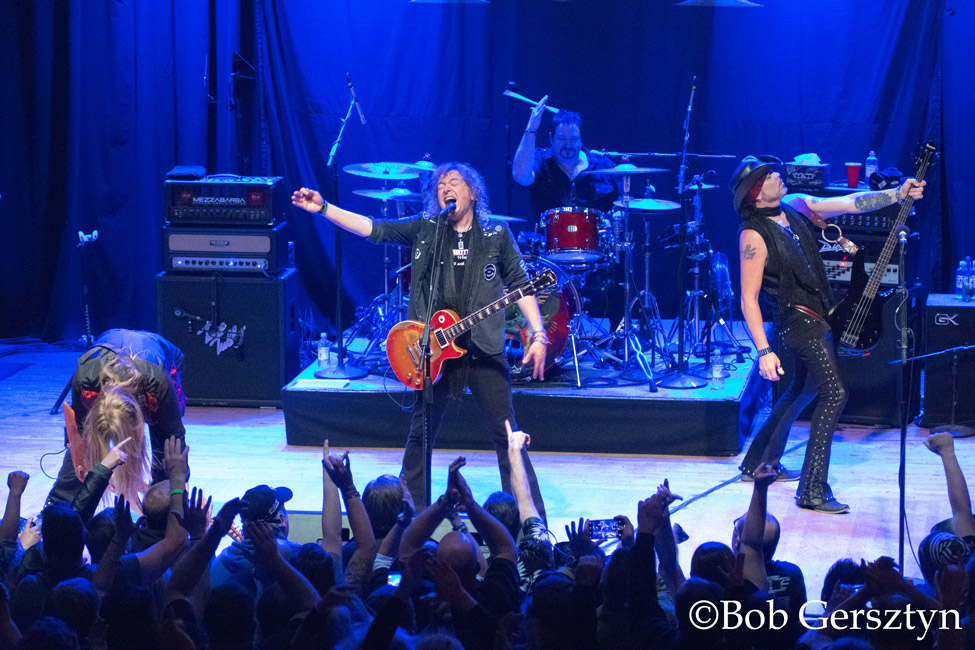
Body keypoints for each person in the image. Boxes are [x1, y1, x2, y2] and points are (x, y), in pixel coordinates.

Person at [292, 163, 548, 517]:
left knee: (508, 438)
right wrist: (323, 208)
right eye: (441, 184)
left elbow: (520, 284)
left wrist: (538, 334)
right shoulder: (426, 229)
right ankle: (410, 520)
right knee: (420, 437)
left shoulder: (496, 234)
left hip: (484, 351)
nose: (446, 188)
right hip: (432, 351)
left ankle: (531, 520)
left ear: (473, 192)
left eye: (455, 182)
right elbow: (374, 229)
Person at [730, 155, 925, 513]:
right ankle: (812, 491)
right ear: (755, 194)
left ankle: (757, 463)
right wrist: (762, 351)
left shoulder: (795, 206)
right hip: (796, 321)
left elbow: (851, 202)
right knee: (834, 393)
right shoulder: (753, 235)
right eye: (769, 175)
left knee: (802, 390)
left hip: (818, 317)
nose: (778, 175)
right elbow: (748, 298)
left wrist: (898, 193)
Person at [46, 329, 186, 509]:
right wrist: (102, 471)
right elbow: (78, 435)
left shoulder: (156, 384)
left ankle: (161, 509)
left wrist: (178, 488)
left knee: (164, 442)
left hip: (157, 354)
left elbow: (175, 435)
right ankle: (57, 506)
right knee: (84, 446)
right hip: (108, 354)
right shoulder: (84, 379)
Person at [512, 101, 618, 220]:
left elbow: (625, 204)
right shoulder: (540, 160)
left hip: (596, 237)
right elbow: (521, 177)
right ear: (551, 139)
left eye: (573, 139)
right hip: (548, 237)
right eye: (562, 139)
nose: (568, 145)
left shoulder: (602, 165)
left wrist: (619, 217)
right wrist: (531, 130)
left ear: (581, 139)